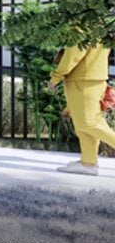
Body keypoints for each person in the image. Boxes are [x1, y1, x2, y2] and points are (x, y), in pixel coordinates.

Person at [49, 40, 115, 176]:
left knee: (87, 123)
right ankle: (88, 162)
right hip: (93, 78)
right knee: (85, 124)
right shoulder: (100, 27)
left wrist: (56, 77)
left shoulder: (82, 25)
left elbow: (74, 52)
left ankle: (88, 163)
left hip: (83, 80)